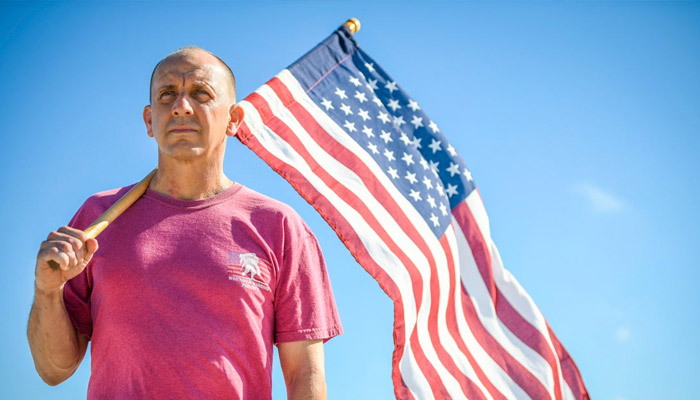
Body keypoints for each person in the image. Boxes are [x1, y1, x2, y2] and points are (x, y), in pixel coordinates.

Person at [27, 47, 342, 399]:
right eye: (167, 95)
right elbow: (53, 369)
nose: (181, 106)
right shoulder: (97, 219)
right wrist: (47, 291)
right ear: (149, 120)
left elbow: (305, 375)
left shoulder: (278, 226)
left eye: (200, 93)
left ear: (234, 119)